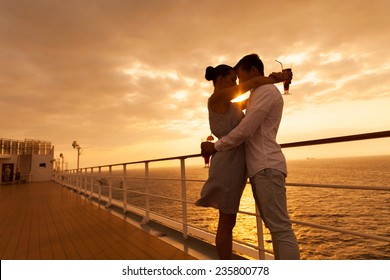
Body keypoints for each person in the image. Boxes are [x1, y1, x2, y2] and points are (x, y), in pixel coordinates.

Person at [201, 54, 300, 260]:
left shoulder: (232, 103)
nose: (236, 82)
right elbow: (252, 84)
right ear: (220, 80)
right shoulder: (218, 98)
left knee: (230, 222)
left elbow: (253, 97)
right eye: (232, 79)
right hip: (227, 164)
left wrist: (270, 83)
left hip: (239, 164)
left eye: (237, 79)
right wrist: (276, 77)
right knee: (227, 222)